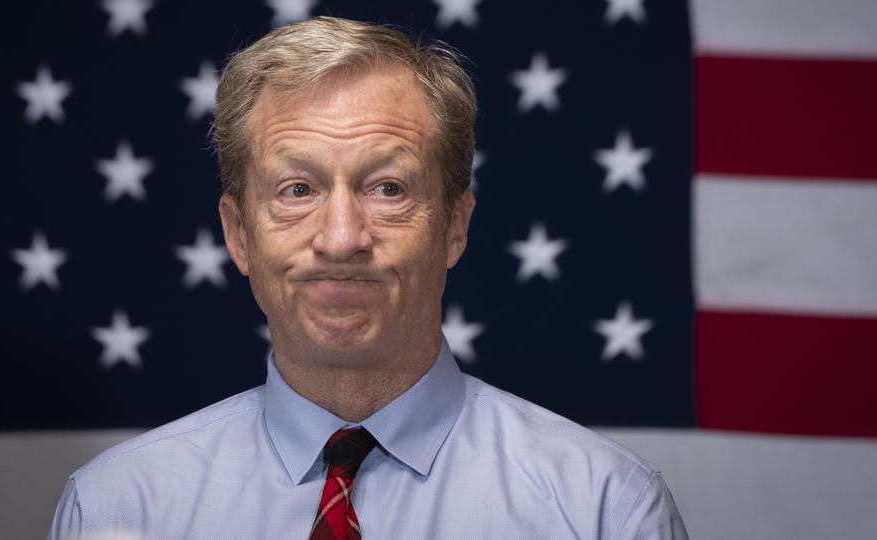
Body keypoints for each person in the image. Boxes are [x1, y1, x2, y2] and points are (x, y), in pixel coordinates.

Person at [48, 16, 688, 539]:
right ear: (238, 234)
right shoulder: (118, 508)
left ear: (455, 227)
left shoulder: (603, 509)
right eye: (298, 189)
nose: (341, 239)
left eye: (387, 188)